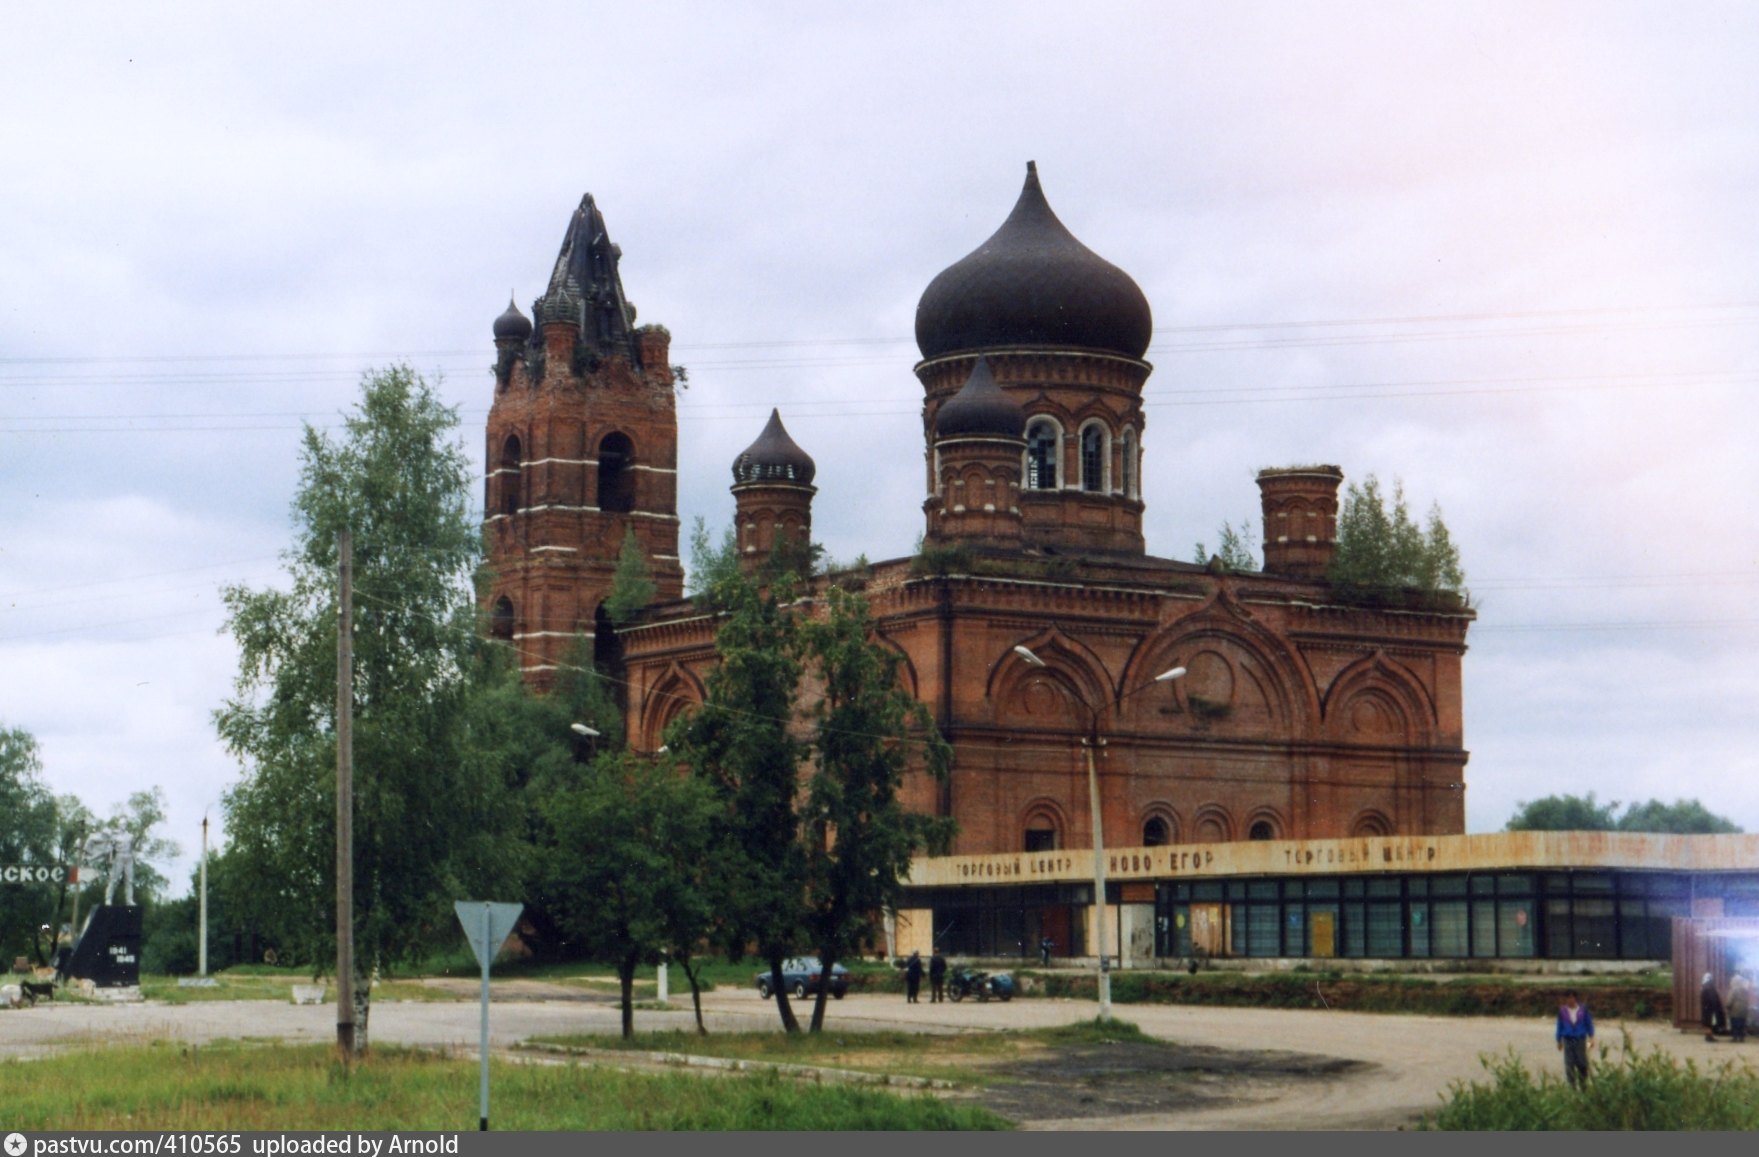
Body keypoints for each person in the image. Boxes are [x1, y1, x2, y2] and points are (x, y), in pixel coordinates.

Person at [1556, 988, 1595, 1088]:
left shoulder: (1583, 1010)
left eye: (1572, 997)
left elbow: (1588, 1023)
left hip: (1580, 1039)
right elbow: (1560, 1026)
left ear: (1575, 998)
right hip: (1568, 1040)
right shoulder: (1562, 1011)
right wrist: (1558, 1039)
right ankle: (1572, 1087)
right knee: (1569, 1064)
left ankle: (1583, 1086)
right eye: (1568, 998)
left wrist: (1591, 1037)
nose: (1570, 1000)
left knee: (1582, 1063)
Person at [1702, 972, 1727, 1041]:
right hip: (1710, 1010)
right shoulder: (1710, 989)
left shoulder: (1705, 989)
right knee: (1709, 1023)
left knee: (1708, 1023)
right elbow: (1713, 1000)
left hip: (1706, 1010)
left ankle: (1708, 1036)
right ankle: (1709, 1037)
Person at [1727, 973, 1750, 1044]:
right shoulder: (1745, 990)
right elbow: (1747, 999)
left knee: (1735, 1022)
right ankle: (1741, 1037)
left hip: (1735, 1008)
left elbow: (1730, 999)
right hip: (1744, 1008)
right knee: (1742, 1023)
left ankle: (1735, 1037)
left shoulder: (1733, 989)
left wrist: (1728, 1006)